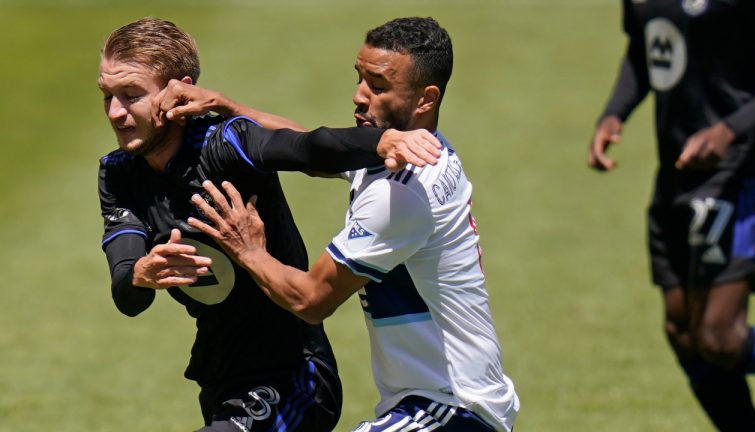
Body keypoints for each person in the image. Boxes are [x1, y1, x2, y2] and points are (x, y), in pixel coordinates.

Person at [173, 17, 520, 432]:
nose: (359, 96)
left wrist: (248, 250)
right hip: (451, 403)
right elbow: (315, 149)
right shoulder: (418, 150)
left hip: (449, 407)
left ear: (425, 98)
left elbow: (311, 300)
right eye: (360, 78)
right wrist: (231, 108)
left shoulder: (400, 194)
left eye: (378, 85)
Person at [97, 17, 442, 432]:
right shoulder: (118, 173)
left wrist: (381, 142)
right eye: (107, 96)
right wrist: (141, 274)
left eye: (131, 95)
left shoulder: (225, 144)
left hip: (294, 375)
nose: (116, 113)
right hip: (218, 376)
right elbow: (127, 295)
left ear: (175, 91)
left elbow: (308, 148)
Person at [589, 1, 755, 430]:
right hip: (676, 173)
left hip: (739, 171)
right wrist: (615, 111)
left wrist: (729, 130)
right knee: (683, 332)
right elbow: (646, 49)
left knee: (720, 336)